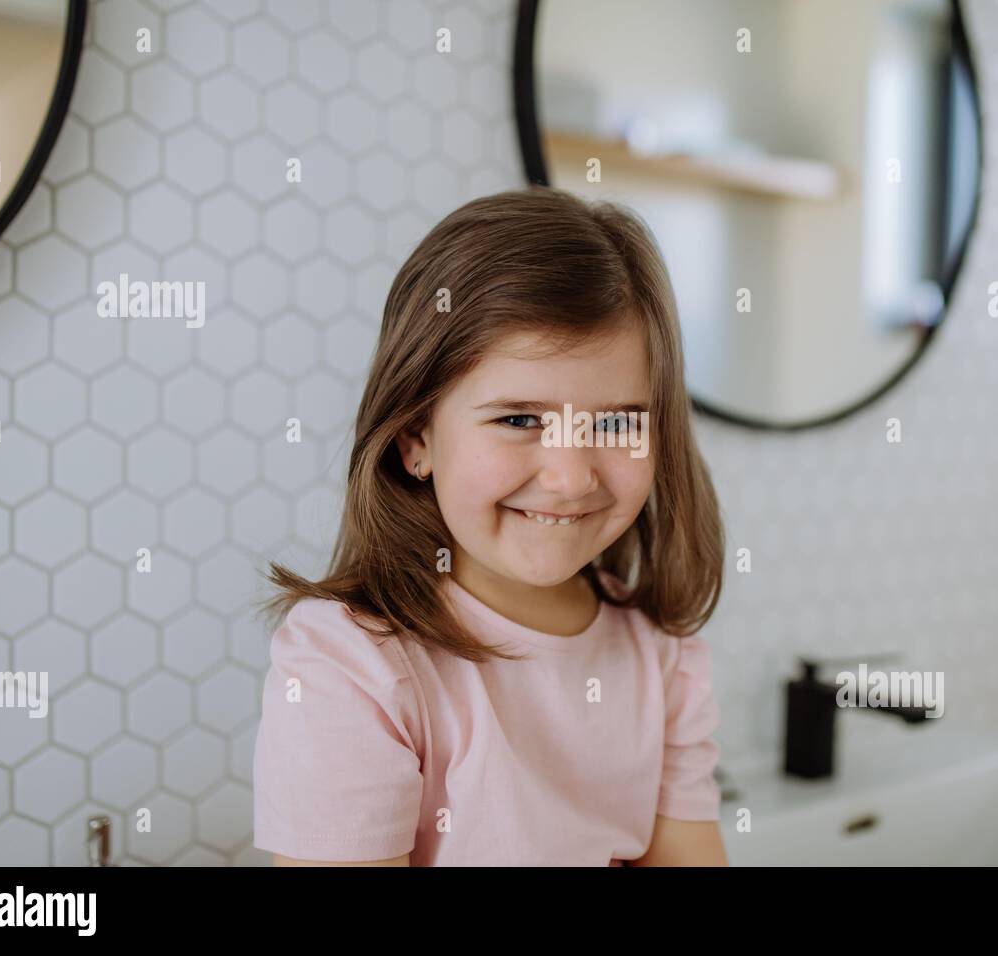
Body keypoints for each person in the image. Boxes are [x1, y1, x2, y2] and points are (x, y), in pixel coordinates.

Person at [252, 185, 727, 866]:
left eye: (617, 422)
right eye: (519, 420)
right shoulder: (351, 664)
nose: (570, 477)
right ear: (416, 437)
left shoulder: (662, 656)